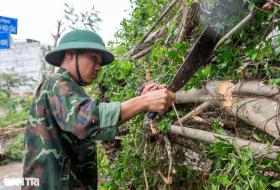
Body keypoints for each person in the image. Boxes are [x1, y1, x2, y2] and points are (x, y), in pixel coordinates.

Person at [22, 29, 175, 190]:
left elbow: (95, 127)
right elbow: (84, 120)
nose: (98, 68)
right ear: (70, 54)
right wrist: (143, 102)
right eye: (93, 59)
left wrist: (140, 102)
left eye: (99, 63)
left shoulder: (62, 86)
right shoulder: (58, 83)